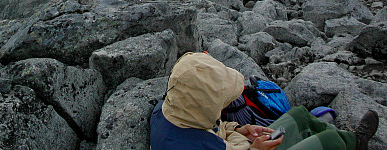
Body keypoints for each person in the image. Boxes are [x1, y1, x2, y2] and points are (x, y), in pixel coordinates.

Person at [150, 52, 379, 150]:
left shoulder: (169, 110)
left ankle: (320, 131)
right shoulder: (184, 145)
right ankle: (353, 142)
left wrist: (240, 128)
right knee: (329, 141)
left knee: (299, 113)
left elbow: (209, 126)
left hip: (239, 143)